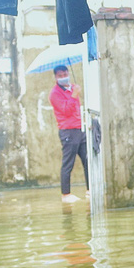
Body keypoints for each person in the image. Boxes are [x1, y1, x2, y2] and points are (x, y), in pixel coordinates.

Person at [49, 65, 88, 203]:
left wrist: (75, 92)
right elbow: (66, 110)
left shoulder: (72, 87)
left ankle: (89, 189)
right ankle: (66, 194)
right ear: (55, 77)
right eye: (60, 75)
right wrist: (74, 95)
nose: (64, 77)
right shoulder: (54, 94)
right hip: (68, 131)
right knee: (68, 163)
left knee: (87, 159)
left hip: (79, 129)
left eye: (65, 74)